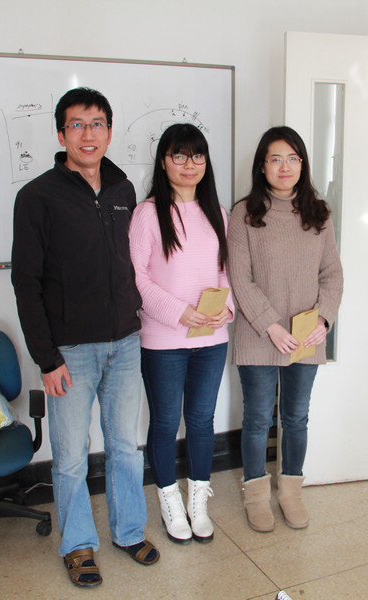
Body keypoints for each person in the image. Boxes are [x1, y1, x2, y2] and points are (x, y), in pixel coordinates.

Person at [11, 87, 159, 588]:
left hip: (125, 343)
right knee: (72, 456)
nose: (88, 134)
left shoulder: (123, 190)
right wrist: (46, 358)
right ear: (61, 135)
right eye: (77, 124)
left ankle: (128, 531)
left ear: (109, 132)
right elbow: (26, 283)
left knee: (125, 447)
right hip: (69, 351)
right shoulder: (37, 197)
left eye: (97, 124)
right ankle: (77, 545)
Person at [227, 126, 344, 533]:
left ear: (303, 165)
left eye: (293, 158)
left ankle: (291, 493)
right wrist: (270, 326)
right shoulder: (243, 213)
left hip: (306, 336)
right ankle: (256, 496)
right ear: (262, 166)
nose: (285, 167)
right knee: (258, 418)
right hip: (259, 335)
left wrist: (324, 318)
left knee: (296, 417)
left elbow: (332, 274)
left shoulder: (319, 214)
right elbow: (239, 277)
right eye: (275, 159)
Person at [128, 123, 233, 545]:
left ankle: (198, 502)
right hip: (164, 341)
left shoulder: (217, 212)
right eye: (179, 155)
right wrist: (180, 313)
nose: (190, 164)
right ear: (163, 162)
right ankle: (170, 500)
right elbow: (136, 278)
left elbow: (227, 271)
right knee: (167, 422)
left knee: (203, 421)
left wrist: (226, 308)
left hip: (211, 340)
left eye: (197, 156)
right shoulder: (147, 213)